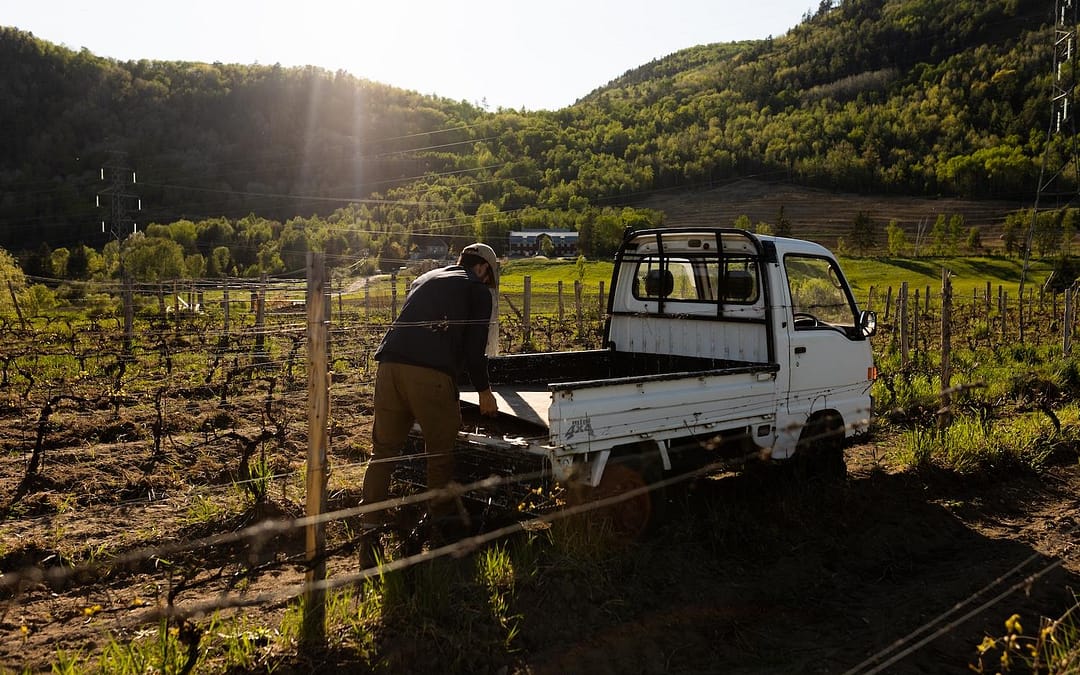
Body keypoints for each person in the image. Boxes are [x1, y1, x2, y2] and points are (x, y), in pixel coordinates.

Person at [360, 243, 500, 535]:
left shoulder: (425, 279)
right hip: (429, 374)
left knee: (383, 452)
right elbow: (475, 350)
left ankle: (369, 524)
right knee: (439, 453)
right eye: (489, 277)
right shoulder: (477, 289)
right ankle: (439, 527)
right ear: (483, 268)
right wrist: (484, 392)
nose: (487, 283)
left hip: (388, 367)